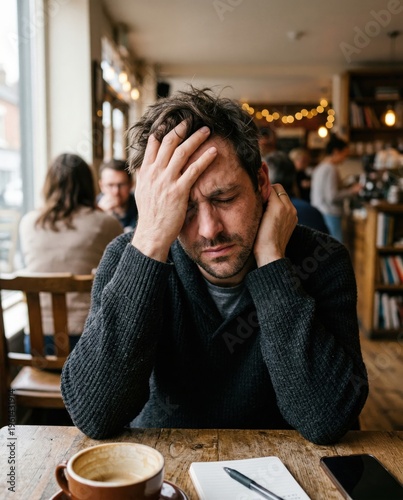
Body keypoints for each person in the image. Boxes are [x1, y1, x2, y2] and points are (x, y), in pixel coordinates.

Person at [61, 88, 368, 445]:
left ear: (261, 182)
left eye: (224, 198)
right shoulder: (128, 257)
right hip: (163, 467)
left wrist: (272, 262)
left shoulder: (322, 260)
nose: (210, 230)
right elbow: (94, 414)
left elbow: (328, 420)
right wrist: (149, 240)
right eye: (184, 207)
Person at [19, 153, 123, 354]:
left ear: (49, 185)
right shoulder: (105, 223)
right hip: (87, 344)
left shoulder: (28, 223)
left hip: (37, 344)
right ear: (89, 185)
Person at [310, 135, 362, 243]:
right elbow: (332, 197)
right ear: (336, 151)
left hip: (320, 212)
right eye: (344, 154)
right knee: (336, 249)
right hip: (330, 214)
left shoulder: (320, 167)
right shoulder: (331, 169)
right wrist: (353, 190)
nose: (345, 158)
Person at [265, 151, 329, 233]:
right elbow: (327, 244)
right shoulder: (310, 212)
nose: (304, 164)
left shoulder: (258, 214)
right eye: (302, 161)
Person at [97, 159, 138, 231]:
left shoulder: (140, 206)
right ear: (101, 186)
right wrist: (100, 216)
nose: (116, 192)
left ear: (131, 185)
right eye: (110, 185)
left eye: (121, 185)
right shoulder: (93, 210)